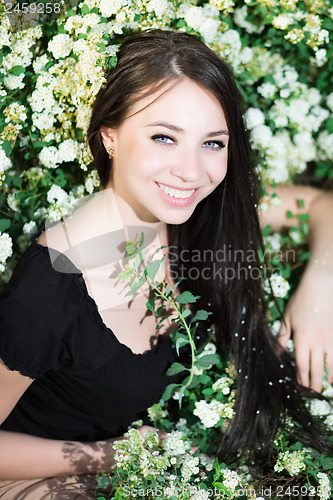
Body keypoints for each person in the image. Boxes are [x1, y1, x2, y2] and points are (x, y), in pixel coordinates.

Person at [0, 29, 332, 498]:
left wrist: (321, 286)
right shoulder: (49, 290)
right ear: (109, 137)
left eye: (213, 143)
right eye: (164, 138)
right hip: (39, 477)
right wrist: (113, 453)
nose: (192, 171)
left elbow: (321, 205)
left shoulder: (198, 214)